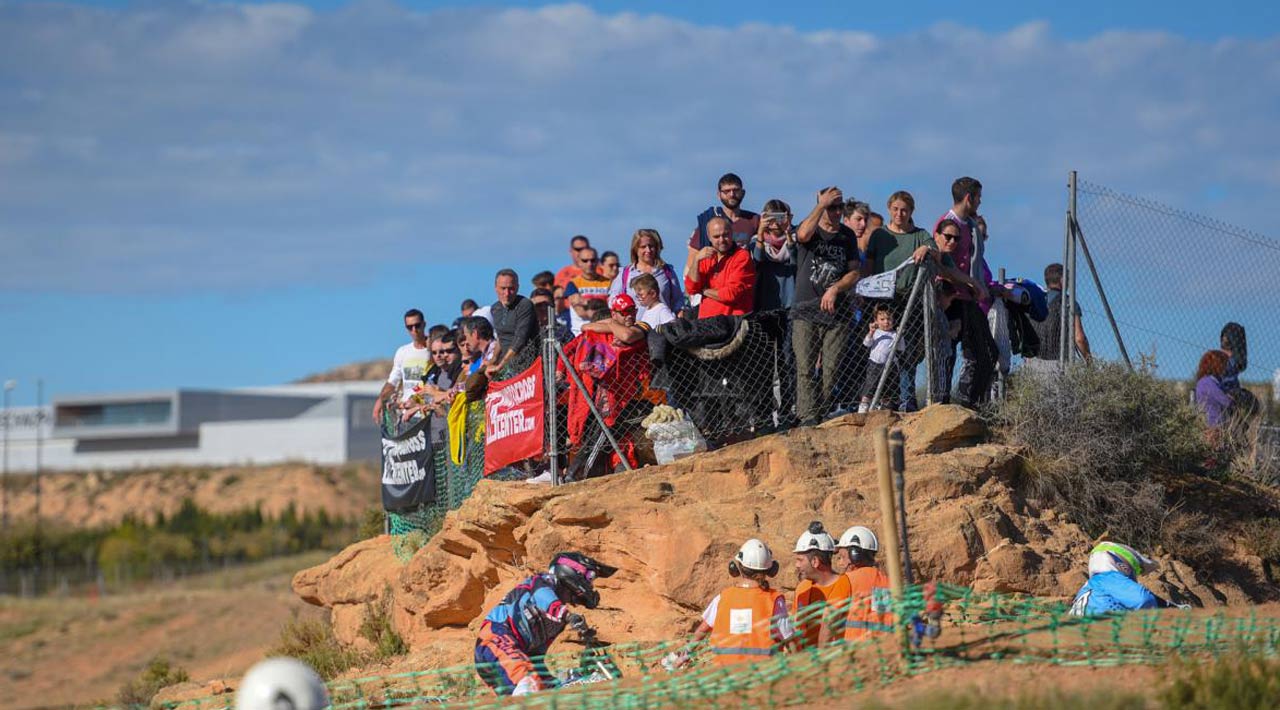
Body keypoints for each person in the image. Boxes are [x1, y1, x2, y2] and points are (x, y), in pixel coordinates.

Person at [876, 191, 987, 410]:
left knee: (914, 354)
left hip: (918, 305)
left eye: (905, 210)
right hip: (887, 301)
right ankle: (885, 399)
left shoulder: (924, 239)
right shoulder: (881, 236)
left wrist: (975, 285)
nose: (952, 241)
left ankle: (915, 400)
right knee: (883, 352)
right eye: (948, 237)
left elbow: (948, 268)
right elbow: (870, 265)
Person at [474, 552, 617, 696]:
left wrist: (551, 683)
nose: (590, 585)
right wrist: (567, 616)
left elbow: (536, 654)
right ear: (572, 570)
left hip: (510, 654)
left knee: (546, 693)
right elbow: (545, 598)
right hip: (496, 638)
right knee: (529, 683)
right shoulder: (542, 582)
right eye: (590, 578)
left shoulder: (558, 622)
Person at [791, 187, 864, 425]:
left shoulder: (847, 236)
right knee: (805, 366)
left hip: (837, 311)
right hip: (806, 309)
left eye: (839, 207)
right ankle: (807, 417)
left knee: (831, 369)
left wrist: (835, 289)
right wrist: (821, 205)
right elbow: (801, 236)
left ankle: (819, 413)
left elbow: (854, 272)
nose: (835, 211)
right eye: (831, 206)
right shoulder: (810, 228)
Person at [934, 178, 999, 407]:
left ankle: (971, 403)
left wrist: (977, 285)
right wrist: (971, 282)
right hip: (950, 295)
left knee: (988, 352)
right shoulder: (947, 224)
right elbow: (942, 264)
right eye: (978, 197)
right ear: (969, 197)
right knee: (947, 352)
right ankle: (940, 403)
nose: (980, 202)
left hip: (969, 297)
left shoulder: (970, 226)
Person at [681, 539, 795, 667]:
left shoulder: (723, 597)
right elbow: (789, 638)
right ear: (771, 570)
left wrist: (684, 656)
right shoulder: (774, 600)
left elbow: (701, 631)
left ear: (737, 567)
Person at [1069, 542, 1185, 616]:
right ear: (1123, 565)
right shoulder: (1109, 578)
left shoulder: (1087, 588)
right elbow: (1144, 600)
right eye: (1135, 570)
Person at [685, 173, 761, 281]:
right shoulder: (709, 220)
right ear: (719, 194)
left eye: (735, 190)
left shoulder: (754, 220)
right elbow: (692, 259)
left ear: (743, 193)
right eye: (726, 191)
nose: (731, 194)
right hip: (714, 283)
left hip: (746, 284)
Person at [792, 521, 852, 649]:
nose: (797, 565)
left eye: (800, 560)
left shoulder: (845, 585)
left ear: (815, 561)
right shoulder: (803, 588)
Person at [1025, 262, 1090, 375]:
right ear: (1062, 280)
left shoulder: (1034, 301)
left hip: (1032, 363)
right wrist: (1089, 360)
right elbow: (1079, 338)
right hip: (1059, 364)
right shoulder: (1069, 303)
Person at [685, 216, 756, 318]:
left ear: (732, 233)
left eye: (725, 235)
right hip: (707, 325)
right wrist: (696, 260)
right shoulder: (705, 257)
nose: (722, 240)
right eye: (716, 236)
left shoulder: (742, 256)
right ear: (709, 237)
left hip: (734, 325)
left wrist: (704, 290)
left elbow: (731, 294)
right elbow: (691, 288)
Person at [373, 309, 432, 424]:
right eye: (410, 327)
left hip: (426, 412)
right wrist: (379, 402)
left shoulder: (433, 351)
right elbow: (392, 382)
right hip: (406, 414)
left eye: (417, 325)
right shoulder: (402, 351)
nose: (414, 330)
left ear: (424, 324)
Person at [836, 526, 894, 641]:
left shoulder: (846, 580)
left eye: (842, 557)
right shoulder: (884, 580)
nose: (840, 563)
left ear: (855, 555)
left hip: (853, 651)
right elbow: (885, 618)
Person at [609, 229, 685, 315]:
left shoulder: (667, 271)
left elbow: (678, 302)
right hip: (634, 326)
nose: (648, 250)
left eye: (651, 246)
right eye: (643, 247)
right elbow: (613, 303)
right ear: (635, 249)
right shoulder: (624, 274)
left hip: (663, 326)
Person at [487, 269, 540, 378]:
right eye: (503, 288)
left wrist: (500, 366)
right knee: (473, 383)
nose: (507, 293)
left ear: (517, 288)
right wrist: (492, 361)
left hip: (523, 363)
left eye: (511, 289)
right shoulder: (495, 309)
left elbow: (519, 339)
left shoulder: (524, 305)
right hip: (503, 363)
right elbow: (500, 339)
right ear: (496, 288)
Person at [749, 198, 797, 311]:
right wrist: (760, 232)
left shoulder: (794, 238)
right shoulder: (756, 240)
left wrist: (788, 234)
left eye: (780, 217)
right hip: (765, 300)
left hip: (790, 301)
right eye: (771, 218)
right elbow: (758, 259)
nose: (776, 222)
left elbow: (795, 261)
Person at [858, 305, 905, 413]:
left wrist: (900, 335)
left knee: (888, 386)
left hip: (890, 365)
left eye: (889, 319)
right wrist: (871, 332)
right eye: (882, 319)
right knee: (871, 384)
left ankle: (884, 406)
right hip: (875, 363)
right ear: (876, 321)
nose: (886, 322)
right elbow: (866, 343)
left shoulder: (894, 334)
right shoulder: (876, 332)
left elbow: (901, 348)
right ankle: (864, 405)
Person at [563, 246, 614, 335]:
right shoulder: (573, 284)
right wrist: (603, 308)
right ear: (579, 262)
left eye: (593, 260)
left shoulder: (608, 283)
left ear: (597, 261)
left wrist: (586, 303)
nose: (589, 264)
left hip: (605, 331)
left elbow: (613, 308)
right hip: (580, 334)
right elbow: (580, 312)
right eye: (585, 260)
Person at [1193, 349, 1232, 431]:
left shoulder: (1212, 381)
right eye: (1224, 364)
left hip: (1218, 425)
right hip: (1212, 427)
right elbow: (1226, 401)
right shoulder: (1207, 382)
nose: (1226, 368)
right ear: (1216, 365)